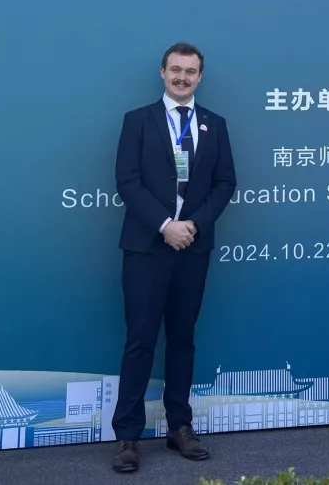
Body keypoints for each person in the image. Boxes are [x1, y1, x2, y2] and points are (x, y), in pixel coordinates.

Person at [110, 42, 237, 473]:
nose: (183, 77)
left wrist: (193, 226)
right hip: (147, 246)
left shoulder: (214, 125)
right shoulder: (138, 121)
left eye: (191, 71)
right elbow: (126, 181)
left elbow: (225, 183)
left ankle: (179, 427)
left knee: (182, 339)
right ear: (162, 72)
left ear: (200, 77)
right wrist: (166, 225)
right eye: (176, 70)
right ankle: (127, 436)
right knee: (140, 340)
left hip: (193, 247)